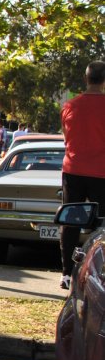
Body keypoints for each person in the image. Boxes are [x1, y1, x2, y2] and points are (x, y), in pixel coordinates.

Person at [59, 60, 105, 289]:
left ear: (86, 79)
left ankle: (66, 273)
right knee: (101, 224)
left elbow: (67, 138)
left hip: (73, 169)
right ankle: (99, 269)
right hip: (101, 172)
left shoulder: (70, 105)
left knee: (70, 220)